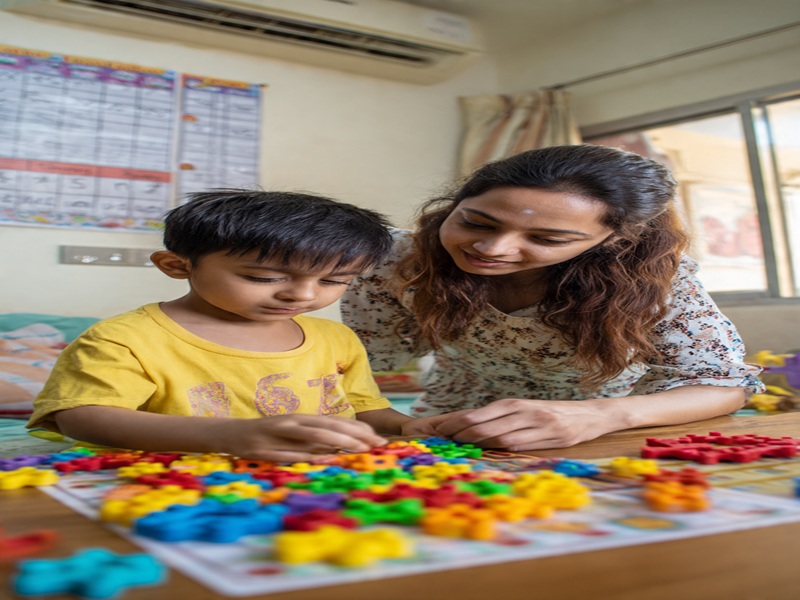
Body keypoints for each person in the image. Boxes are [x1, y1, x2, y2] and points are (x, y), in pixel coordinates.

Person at [342, 145, 764, 451]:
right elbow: (353, 364)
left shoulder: (654, 278)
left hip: (603, 425)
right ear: (455, 204)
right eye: (476, 223)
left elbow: (723, 384)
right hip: (455, 416)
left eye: (547, 239)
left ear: (613, 240)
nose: (493, 249)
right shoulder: (401, 260)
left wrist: (601, 416)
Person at [29, 190, 417, 461]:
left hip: (315, 483)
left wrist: (409, 427)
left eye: (333, 281)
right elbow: (81, 416)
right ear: (177, 266)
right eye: (264, 278)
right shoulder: (124, 339)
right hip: (172, 485)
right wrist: (228, 435)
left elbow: (364, 408)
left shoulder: (336, 339)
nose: (302, 295)